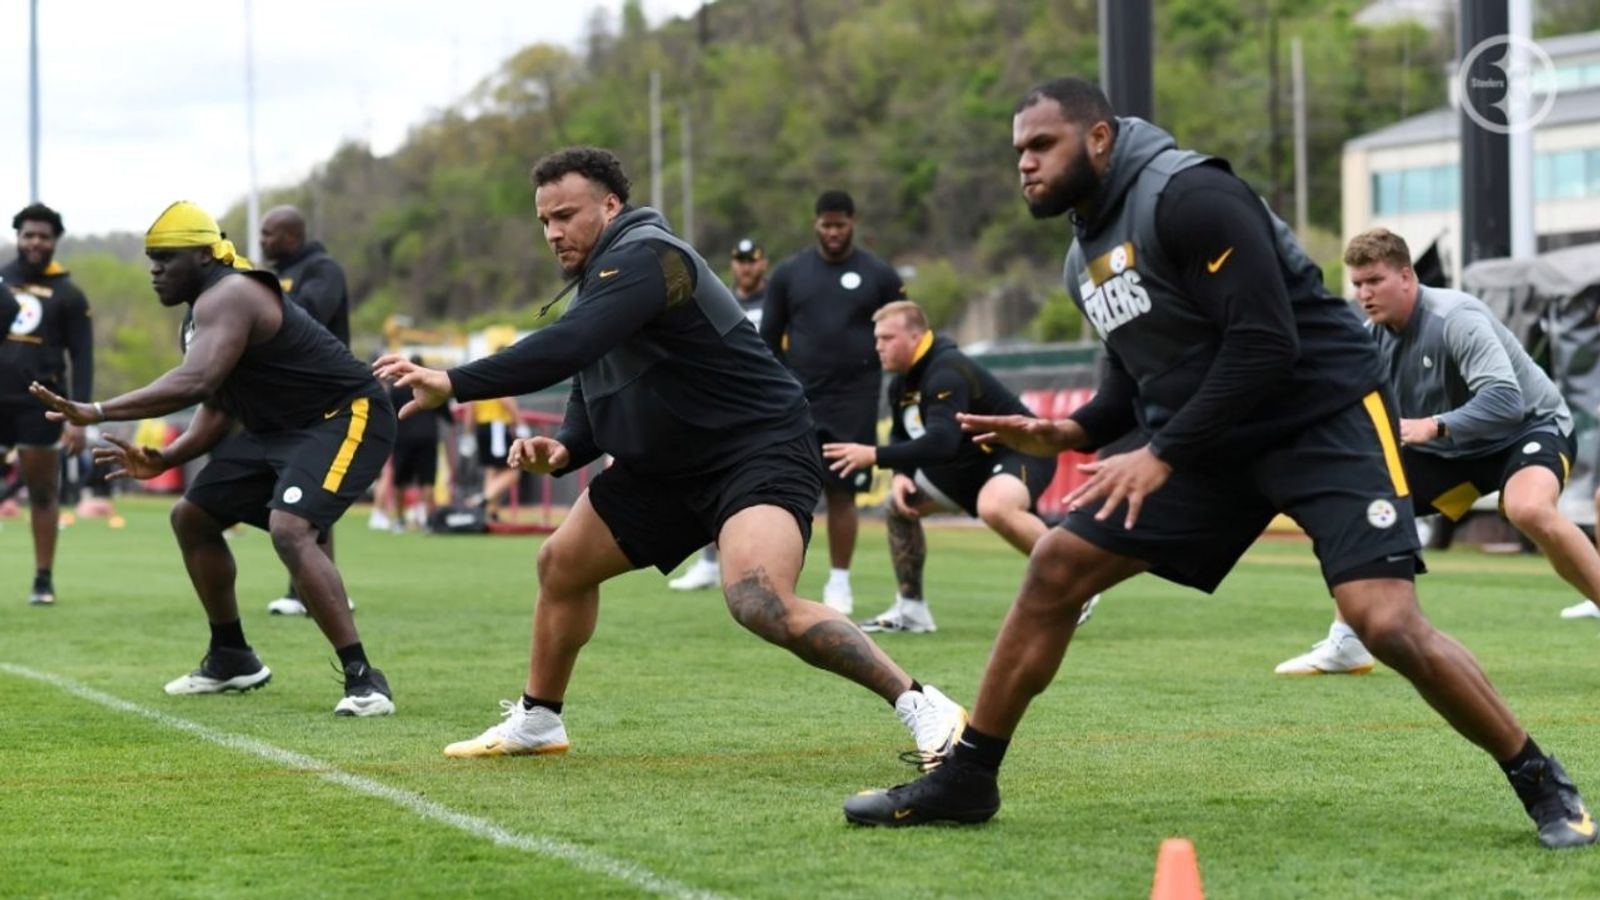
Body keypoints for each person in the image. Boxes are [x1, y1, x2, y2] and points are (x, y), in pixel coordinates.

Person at [840, 78, 1595, 850]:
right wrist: (1071, 434)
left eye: (1042, 145)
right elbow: (1135, 376)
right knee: (1056, 566)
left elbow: (1266, 342)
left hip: (1320, 419)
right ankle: (970, 776)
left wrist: (1163, 453)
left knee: (1385, 621)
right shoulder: (1083, 256)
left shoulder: (1192, 195)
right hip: (1215, 439)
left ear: (1098, 138)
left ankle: (1541, 779)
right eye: (1018, 152)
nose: (1025, 165)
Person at [372, 146, 964, 762]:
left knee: (757, 598)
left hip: (754, 450)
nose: (552, 232)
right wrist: (567, 447)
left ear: (610, 204)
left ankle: (924, 705)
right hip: (667, 468)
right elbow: (589, 376)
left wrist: (454, 381)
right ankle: (539, 719)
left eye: (566, 215)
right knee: (562, 565)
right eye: (544, 221)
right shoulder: (601, 285)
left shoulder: (652, 257)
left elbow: (567, 345)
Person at [31, 201, 397, 717]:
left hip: (342, 416)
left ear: (205, 256)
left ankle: (364, 677)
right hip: (277, 430)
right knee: (192, 517)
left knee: (290, 528)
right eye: (151, 260)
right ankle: (232, 656)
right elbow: (218, 403)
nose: (154, 271)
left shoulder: (234, 292)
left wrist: (98, 410)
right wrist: (168, 457)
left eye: (166, 258)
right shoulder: (200, 310)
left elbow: (194, 381)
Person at [1276, 228, 1600, 673]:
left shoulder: (1455, 317)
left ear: (1406, 276)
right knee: (1359, 502)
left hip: (1530, 428)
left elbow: (1507, 401)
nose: (1365, 293)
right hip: (1456, 452)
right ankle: (1348, 640)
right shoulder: (1371, 336)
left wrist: (1433, 425)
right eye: (1357, 284)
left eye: (1375, 281)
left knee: (1528, 509)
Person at [822, 300, 1076, 634]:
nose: (877, 346)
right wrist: (900, 476)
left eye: (886, 338)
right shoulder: (903, 381)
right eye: (876, 339)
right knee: (899, 505)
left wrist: (875, 456)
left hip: (1020, 453)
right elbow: (902, 431)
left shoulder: (946, 370)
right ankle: (912, 612)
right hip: (967, 467)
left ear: (915, 337)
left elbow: (942, 442)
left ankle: (1076, 584)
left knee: (995, 505)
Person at [760, 191, 906, 614]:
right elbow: (768, 339)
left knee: (841, 492)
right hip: (799, 397)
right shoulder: (790, 274)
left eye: (840, 225)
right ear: (815, 224)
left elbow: (902, 328)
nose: (833, 233)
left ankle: (839, 582)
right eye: (826, 225)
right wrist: (783, 385)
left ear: (853, 223)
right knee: (789, 487)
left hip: (854, 399)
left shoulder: (877, 274)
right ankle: (783, 575)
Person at [259, 205, 354, 615]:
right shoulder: (271, 277)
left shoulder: (322, 269)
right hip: (286, 400)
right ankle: (305, 590)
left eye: (269, 234)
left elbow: (306, 315)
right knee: (296, 496)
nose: (263, 241)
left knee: (312, 496)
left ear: (292, 236)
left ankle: (326, 592)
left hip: (325, 398)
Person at [0, 203, 92, 606]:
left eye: (43, 236)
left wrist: (79, 416)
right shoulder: (1, 280)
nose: (35, 242)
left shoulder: (68, 293)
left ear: (54, 241)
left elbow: (83, 357)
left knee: (41, 491)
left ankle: (42, 579)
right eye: (28, 235)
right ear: (18, 237)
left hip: (41, 406)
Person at [669, 236, 771, 591]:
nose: (745, 267)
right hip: (721, 399)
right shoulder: (720, 296)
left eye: (752, 260)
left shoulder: (775, 302)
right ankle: (710, 562)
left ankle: (758, 563)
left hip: (763, 402)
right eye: (739, 260)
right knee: (709, 479)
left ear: (763, 264)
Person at [384, 354, 454, 531]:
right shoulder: (432, 386)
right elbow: (447, 415)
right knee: (427, 482)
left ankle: (399, 521)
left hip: (403, 438)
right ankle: (429, 523)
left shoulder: (397, 387)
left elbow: (388, 412)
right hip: (427, 438)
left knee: (400, 481)